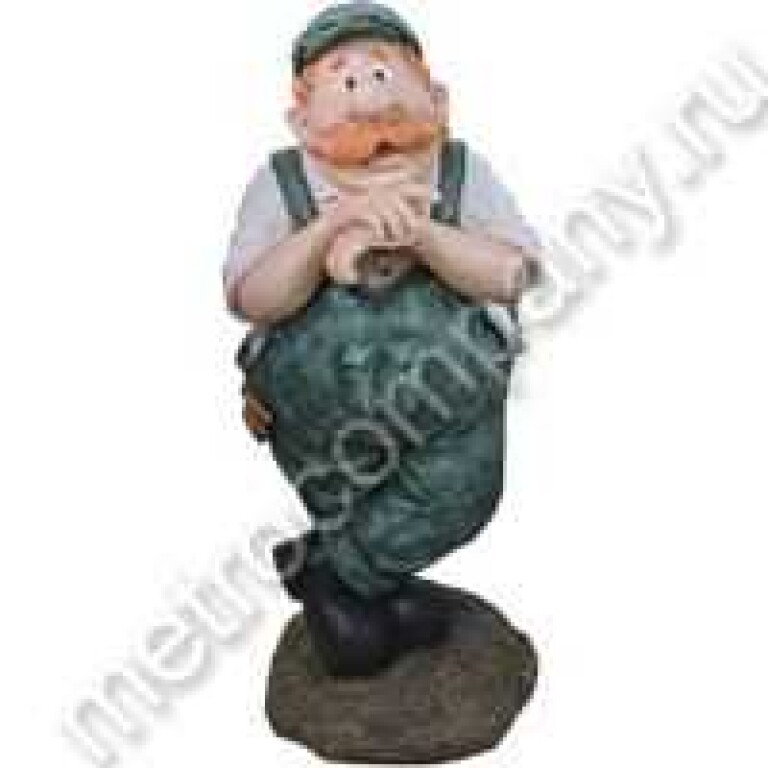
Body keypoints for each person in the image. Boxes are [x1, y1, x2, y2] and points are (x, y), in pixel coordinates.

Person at [224, 2, 541, 677]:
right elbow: (250, 297)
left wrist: (424, 236)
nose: (368, 98)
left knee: (460, 495)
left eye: (383, 75)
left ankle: (334, 572)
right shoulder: (282, 182)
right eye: (343, 79)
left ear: (437, 98)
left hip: (450, 397)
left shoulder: (460, 172)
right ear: (301, 119)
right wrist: (327, 231)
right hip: (315, 408)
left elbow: (514, 273)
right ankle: (363, 591)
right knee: (350, 504)